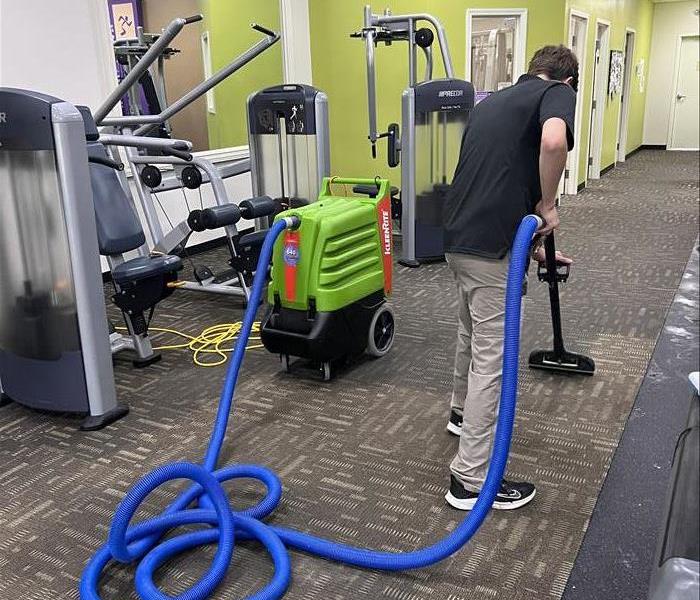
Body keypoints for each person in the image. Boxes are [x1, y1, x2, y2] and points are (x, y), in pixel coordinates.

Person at [442, 45, 578, 511]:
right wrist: (548, 204)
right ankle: (471, 480)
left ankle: (460, 414)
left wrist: (533, 250)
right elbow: (553, 143)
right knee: (492, 361)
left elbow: (496, 177)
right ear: (568, 81)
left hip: (459, 239)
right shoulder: (556, 94)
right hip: (491, 249)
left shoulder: (492, 102)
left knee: (470, 331)